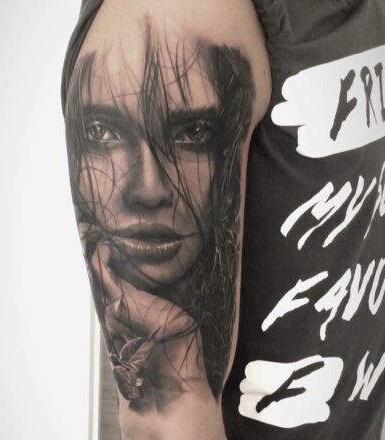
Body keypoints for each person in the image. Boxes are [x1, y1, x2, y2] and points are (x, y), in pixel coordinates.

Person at [62, 0, 385, 439]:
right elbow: (165, 425)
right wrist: (171, 367)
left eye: (192, 133)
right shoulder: (181, 11)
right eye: (105, 133)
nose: (148, 189)